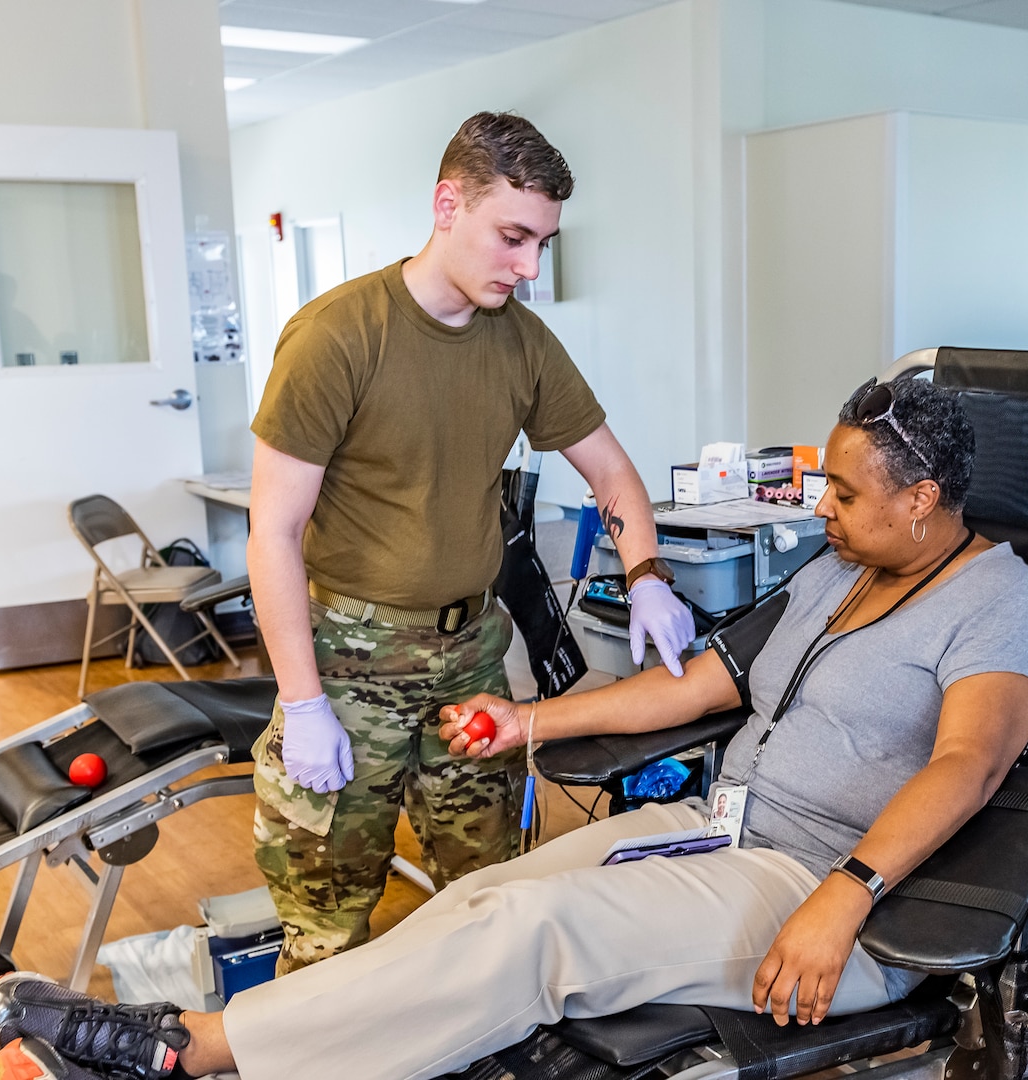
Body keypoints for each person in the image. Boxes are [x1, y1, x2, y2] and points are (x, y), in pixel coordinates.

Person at [0, 376, 1028, 1080]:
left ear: (923, 500)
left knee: (530, 936)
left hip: (826, 890)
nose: (820, 507)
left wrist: (843, 898)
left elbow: (970, 764)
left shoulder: (998, 602)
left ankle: (182, 1053)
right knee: (493, 891)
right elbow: (692, 688)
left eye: (847, 494)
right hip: (724, 831)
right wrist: (527, 717)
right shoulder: (840, 570)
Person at [244, 111, 695, 973]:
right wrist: (302, 703)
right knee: (328, 932)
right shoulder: (337, 336)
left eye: (543, 244)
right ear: (449, 204)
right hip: (348, 668)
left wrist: (645, 576)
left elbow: (613, 473)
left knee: (493, 905)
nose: (528, 269)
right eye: (512, 237)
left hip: (471, 667)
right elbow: (275, 531)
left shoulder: (521, 341)